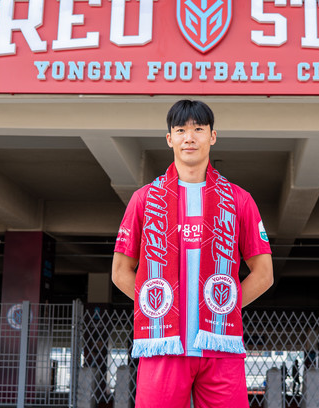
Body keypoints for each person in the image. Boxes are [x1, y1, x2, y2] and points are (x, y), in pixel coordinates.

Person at [112, 99, 274, 408]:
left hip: (220, 347)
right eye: (181, 130)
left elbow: (264, 274)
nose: (190, 138)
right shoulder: (144, 199)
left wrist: (222, 309)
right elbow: (120, 271)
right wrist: (159, 308)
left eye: (199, 129)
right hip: (163, 346)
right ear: (169, 138)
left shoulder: (239, 200)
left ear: (213, 136)